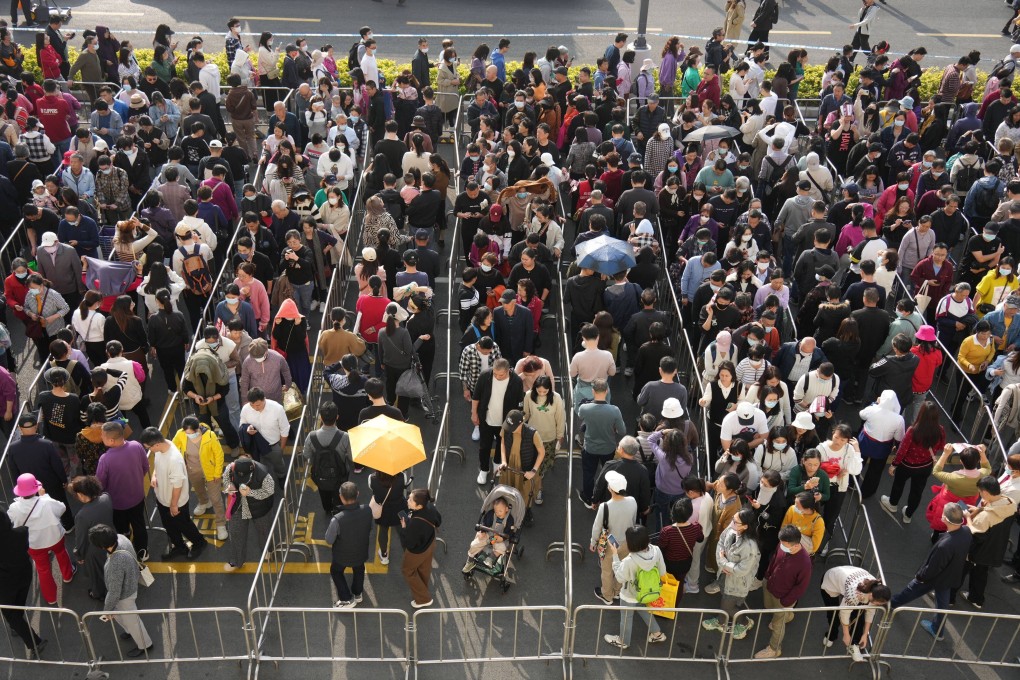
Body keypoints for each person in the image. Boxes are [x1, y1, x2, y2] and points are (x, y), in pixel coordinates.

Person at [889, 503, 972, 639]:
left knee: (912, 590)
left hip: (934, 577)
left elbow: (933, 569)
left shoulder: (945, 545)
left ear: (945, 519)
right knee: (942, 603)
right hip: (950, 577)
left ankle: (892, 604)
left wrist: (920, 576)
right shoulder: (966, 532)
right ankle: (938, 630)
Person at [138, 428, 208, 560]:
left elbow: (178, 485)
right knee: (169, 525)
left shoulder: (174, 459)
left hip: (176, 502)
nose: (149, 450)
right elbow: (157, 465)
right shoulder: (161, 448)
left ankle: (199, 542)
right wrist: (154, 475)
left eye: (148, 447)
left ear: (156, 444)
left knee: (184, 525)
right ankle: (179, 546)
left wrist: (174, 505)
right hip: (163, 499)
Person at [7, 473, 75, 606]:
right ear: (36, 489)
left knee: (43, 569)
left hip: (34, 544)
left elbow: (12, 523)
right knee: (61, 553)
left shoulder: (14, 508)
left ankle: (51, 598)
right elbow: (62, 508)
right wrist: (44, 496)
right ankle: (68, 575)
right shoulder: (46, 501)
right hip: (55, 536)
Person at [88, 523, 154, 657]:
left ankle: (145, 645)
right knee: (122, 616)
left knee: (133, 621)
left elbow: (114, 592)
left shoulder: (115, 563)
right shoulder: (121, 539)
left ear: (101, 546)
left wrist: (107, 610)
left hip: (125, 596)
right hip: (131, 584)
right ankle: (129, 631)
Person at [603, 524, 668, 650]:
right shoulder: (656, 550)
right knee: (642, 608)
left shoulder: (629, 560)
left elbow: (620, 577)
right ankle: (657, 633)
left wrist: (615, 555)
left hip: (630, 594)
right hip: (649, 591)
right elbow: (662, 572)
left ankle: (623, 641)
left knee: (626, 617)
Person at [754, 525, 813, 658]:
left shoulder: (804, 562)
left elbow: (801, 586)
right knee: (768, 607)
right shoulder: (782, 546)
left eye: (784, 544)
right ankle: (788, 615)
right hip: (770, 586)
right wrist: (767, 576)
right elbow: (774, 559)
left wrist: (786, 601)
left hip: (783, 598)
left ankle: (774, 649)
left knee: (777, 625)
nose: (781, 546)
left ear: (796, 545)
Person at [702, 507, 760, 639]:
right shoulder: (733, 529)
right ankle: (721, 621)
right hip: (725, 575)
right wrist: (724, 563)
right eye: (733, 519)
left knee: (728, 606)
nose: (732, 523)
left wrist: (723, 562)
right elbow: (721, 543)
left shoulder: (750, 546)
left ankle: (744, 622)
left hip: (737, 582)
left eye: (736, 521)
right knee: (725, 600)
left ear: (745, 526)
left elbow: (742, 570)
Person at [95, 421, 149, 561]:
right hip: (138, 497)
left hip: (117, 503)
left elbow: (100, 483)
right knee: (139, 525)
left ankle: (125, 551)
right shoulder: (136, 446)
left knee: (121, 529)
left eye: (103, 436)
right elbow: (145, 467)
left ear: (111, 440)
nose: (101, 438)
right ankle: (142, 552)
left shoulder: (105, 459)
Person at [0, 504, 47, 658]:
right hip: (24, 575)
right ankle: (17, 626)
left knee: (9, 614)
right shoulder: (21, 532)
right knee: (18, 604)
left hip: (5, 585)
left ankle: (34, 642)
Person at [171, 416, 228, 542]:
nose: (188, 435)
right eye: (186, 433)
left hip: (211, 472)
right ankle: (203, 502)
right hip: (193, 470)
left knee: (216, 498)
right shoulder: (180, 434)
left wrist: (217, 473)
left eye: (191, 433)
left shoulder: (210, 436)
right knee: (199, 490)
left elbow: (219, 454)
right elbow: (173, 448)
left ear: (198, 429)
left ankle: (220, 523)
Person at [819, 566, 891, 662]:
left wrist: (865, 634)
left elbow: (870, 612)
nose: (879, 606)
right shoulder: (855, 594)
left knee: (859, 616)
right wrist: (846, 635)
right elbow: (844, 613)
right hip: (831, 581)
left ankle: (854, 644)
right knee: (833, 613)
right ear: (871, 595)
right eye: (878, 604)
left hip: (848, 579)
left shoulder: (877, 590)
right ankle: (832, 634)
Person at [326, 481, 374, 608]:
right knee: (359, 569)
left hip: (341, 555)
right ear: (357, 494)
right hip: (361, 551)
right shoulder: (367, 510)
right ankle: (358, 594)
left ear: (341, 497)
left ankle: (346, 599)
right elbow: (370, 528)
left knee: (336, 572)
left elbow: (329, 540)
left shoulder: (337, 519)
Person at [70, 475, 114, 602]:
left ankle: (99, 593)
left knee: (98, 574)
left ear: (82, 495)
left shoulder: (82, 516)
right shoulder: (106, 498)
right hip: (111, 538)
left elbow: (81, 539)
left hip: (95, 550)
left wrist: (79, 555)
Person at [304, 402, 352, 518]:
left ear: (321, 417)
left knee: (323, 491)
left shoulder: (312, 436)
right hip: (339, 475)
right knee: (338, 493)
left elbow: (307, 455)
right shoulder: (344, 436)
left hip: (320, 474)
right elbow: (351, 457)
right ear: (337, 417)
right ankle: (337, 510)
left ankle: (327, 508)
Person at [398, 488, 442, 609]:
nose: (408, 500)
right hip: (430, 543)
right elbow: (439, 520)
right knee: (424, 568)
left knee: (407, 571)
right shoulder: (430, 507)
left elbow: (409, 543)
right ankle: (422, 588)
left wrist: (404, 528)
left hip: (417, 551)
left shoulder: (415, 524)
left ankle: (423, 599)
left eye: (411, 500)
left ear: (418, 506)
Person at [239, 388, 289, 485]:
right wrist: (247, 428)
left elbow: (285, 429)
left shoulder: (277, 408)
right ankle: (264, 481)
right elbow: (242, 424)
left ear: (264, 399)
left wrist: (281, 449)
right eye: (252, 405)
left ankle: (281, 476)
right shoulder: (246, 409)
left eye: (258, 405)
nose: (255, 408)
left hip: (273, 445)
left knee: (278, 464)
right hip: (255, 446)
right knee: (259, 466)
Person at [657, 497, 705, 592]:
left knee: (669, 582)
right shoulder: (696, 527)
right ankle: (678, 597)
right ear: (690, 513)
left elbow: (661, 547)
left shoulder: (667, 531)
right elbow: (700, 539)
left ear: (673, 512)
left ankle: (669, 597)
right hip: (686, 562)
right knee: (680, 581)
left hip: (669, 562)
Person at [369, 470, 406, 566]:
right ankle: (408, 552)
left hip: (383, 509)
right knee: (403, 530)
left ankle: (384, 555)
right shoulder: (402, 476)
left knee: (383, 529)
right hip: (400, 508)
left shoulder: (371, 478)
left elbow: (372, 490)